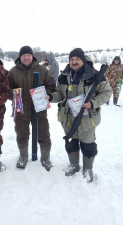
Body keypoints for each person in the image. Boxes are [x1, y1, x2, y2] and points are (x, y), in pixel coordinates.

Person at [48, 48, 112, 182]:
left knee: (88, 145)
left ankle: (88, 169)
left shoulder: (95, 75)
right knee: (70, 142)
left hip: (87, 119)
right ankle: (74, 165)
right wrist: (50, 97)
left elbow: (107, 93)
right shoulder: (64, 75)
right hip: (67, 117)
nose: (74, 62)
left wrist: (93, 103)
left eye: (77, 59)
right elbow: (59, 93)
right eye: (72, 59)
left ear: (83, 60)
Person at [8, 46, 56, 171]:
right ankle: (23, 156)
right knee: (21, 133)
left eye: (28, 55)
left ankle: (45, 158)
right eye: (24, 55)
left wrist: (48, 95)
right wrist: (13, 94)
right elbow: (6, 89)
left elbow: (51, 86)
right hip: (21, 109)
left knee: (44, 133)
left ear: (32, 56)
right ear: (20, 57)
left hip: (39, 109)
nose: (26, 57)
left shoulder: (42, 70)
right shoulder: (13, 72)